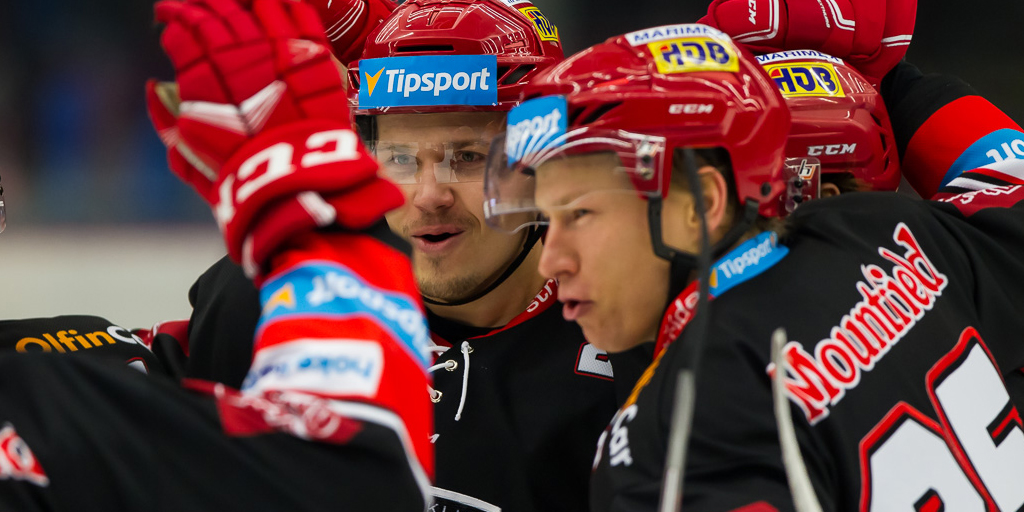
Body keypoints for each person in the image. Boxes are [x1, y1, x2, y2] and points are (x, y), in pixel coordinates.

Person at [485, 21, 1024, 512]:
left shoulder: (672, 437)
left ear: (703, 204)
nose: (551, 260)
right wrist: (899, 84)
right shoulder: (884, 229)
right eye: (547, 219)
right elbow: (1011, 183)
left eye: (580, 214)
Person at [174, 1, 621, 510]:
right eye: (401, 159)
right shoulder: (272, 301)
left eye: (468, 157)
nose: (429, 196)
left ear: (545, 163)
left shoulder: (628, 340)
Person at [0, 0, 431, 509]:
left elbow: (209, 354)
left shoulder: (53, 368)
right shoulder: (42, 400)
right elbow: (354, 481)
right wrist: (312, 213)